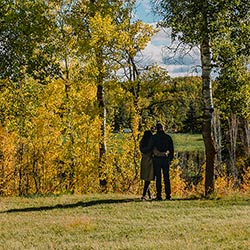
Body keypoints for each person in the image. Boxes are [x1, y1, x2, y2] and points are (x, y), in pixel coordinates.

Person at [143, 122, 174, 201]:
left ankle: (159, 195)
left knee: (158, 178)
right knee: (166, 178)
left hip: (157, 159)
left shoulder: (154, 138)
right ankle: (168, 195)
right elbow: (171, 149)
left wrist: (142, 150)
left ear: (157, 129)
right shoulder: (168, 137)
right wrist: (170, 159)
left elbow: (149, 148)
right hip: (165, 159)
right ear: (163, 128)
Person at [139, 130, 154, 200]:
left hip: (143, 160)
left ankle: (149, 194)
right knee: (148, 179)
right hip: (149, 160)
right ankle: (144, 195)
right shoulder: (150, 144)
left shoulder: (142, 143)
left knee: (146, 178)